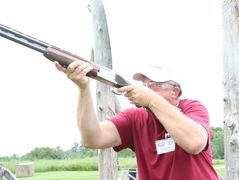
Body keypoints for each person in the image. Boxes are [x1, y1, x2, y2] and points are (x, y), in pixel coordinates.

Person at [55, 61, 219, 180]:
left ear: (174, 92)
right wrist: (83, 88)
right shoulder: (135, 117)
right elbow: (92, 139)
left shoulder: (192, 108)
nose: (145, 90)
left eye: (152, 85)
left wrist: (151, 100)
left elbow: (195, 143)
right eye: (143, 85)